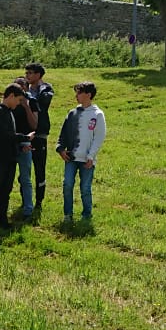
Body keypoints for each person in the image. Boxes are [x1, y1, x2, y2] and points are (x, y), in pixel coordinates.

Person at [0, 83, 30, 232]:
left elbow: (9, 138)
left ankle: (1, 218)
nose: (18, 103)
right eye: (18, 100)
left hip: (10, 157)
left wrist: (20, 146)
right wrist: (25, 137)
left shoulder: (9, 112)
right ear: (11, 96)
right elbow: (4, 135)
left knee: (6, 189)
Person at [57, 81, 107, 223]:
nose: (76, 96)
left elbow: (99, 137)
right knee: (67, 185)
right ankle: (68, 215)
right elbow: (63, 133)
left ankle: (86, 215)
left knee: (85, 188)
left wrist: (91, 156)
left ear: (88, 95)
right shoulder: (72, 113)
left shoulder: (97, 114)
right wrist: (60, 149)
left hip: (87, 160)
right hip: (71, 158)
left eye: (79, 93)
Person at [23, 63, 55, 213]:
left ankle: (39, 201)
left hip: (40, 133)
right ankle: (25, 200)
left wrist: (27, 97)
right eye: (26, 73)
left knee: (39, 169)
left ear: (38, 75)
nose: (27, 76)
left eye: (30, 73)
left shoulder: (46, 89)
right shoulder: (24, 87)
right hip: (25, 133)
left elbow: (43, 103)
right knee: (24, 170)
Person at [12, 74, 39, 219]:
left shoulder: (32, 102)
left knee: (25, 178)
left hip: (25, 142)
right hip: (10, 142)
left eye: (22, 90)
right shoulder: (9, 102)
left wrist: (26, 106)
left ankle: (28, 208)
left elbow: (34, 125)